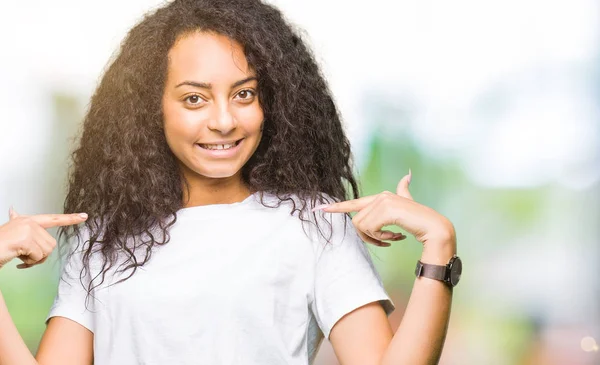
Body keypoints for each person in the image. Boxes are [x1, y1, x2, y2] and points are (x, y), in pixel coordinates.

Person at [0, 0, 458, 364]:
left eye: (243, 94)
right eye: (194, 98)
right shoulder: (102, 240)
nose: (223, 120)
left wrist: (440, 246)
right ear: (150, 109)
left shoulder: (314, 226)